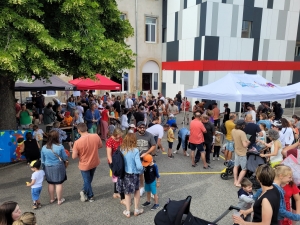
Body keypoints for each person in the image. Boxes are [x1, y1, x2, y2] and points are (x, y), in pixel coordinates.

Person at [72, 123, 102, 202]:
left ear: (78, 130)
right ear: (86, 128)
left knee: (87, 180)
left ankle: (90, 195)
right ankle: (84, 191)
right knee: (89, 179)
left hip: (84, 163)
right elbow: (100, 145)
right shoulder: (95, 136)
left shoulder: (77, 142)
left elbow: (74, 157)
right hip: (94, 161)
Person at [116, 133, 144, 218]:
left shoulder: (121, 149)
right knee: (136, 191)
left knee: (127, 193)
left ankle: (127, 211)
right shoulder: (135, 150)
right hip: (133, 174)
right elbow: (139, 165)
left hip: (124, 174)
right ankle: (136, 210)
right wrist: (142, 170)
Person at [41, 130, 68, 205]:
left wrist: (43, 168)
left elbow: (42, 160)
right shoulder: (60, 146)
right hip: (58, 166)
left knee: (50, 183)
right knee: (58, 183)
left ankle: (52, 199)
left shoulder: (44, 147)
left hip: (48, 166)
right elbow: (65, 157)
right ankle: (59, 200)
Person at [135, 121, 156, 196]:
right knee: (140, 174)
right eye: (140, 127)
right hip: (138, 159)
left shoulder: (149, 135)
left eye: (144, 127)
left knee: (150, 175)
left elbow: (154, 145)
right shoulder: (134, 136)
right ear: (137, 128)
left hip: (147, 158)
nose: (142, 129)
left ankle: (151, 191)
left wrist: (146, 153)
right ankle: (142, 187)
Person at [106, 128, 125, 201]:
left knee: (118, 176)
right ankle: (116, 192)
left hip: (119, 159)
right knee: (116, 175)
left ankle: (116, 192)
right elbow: (109, 154)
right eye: (119, 135)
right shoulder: (110, 141)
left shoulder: (120, 139)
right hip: (114, 161)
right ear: (116, 134)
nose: (120, 137)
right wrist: (112, 164)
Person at [231, 120, 250, 187]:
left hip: (236, 150)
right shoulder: (242, 133)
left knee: (236, 166)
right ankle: (238, 182)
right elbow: (245, 145)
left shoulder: (233, 130)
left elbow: (233, 139)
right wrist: (248, 142)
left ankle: (235, 180)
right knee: (244, 169)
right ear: (242, 126)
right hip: (242, 152)